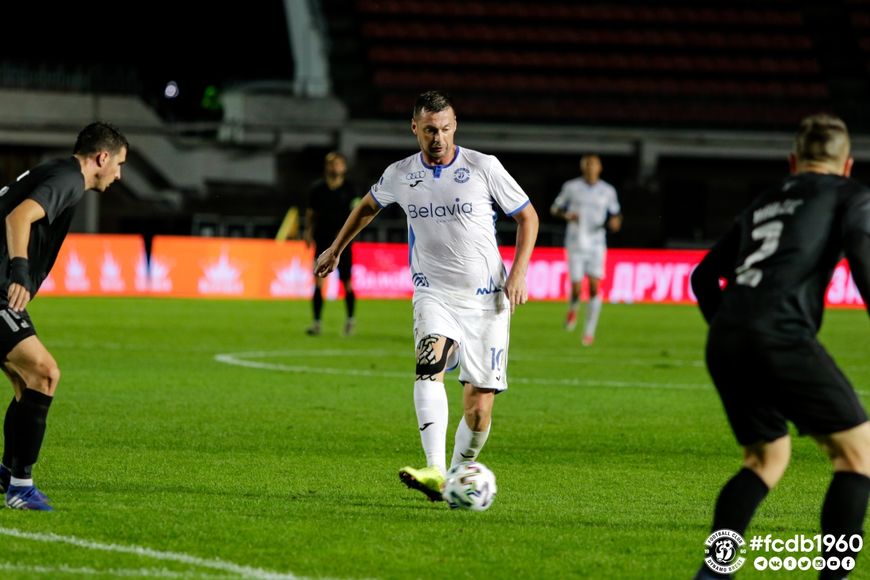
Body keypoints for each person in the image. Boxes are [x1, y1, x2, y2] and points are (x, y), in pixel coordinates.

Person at [314, 90, 539, 502]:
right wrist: (336, 248)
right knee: (428, 362)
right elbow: (368, 207)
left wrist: (519, 272)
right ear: (415, 128)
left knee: (478, 408)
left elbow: (527, 216)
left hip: (487, 300)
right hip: (433, 292)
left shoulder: (483, 167)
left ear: (455, 127)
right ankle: (434, 469)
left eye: (446, 129)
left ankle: (455, 474)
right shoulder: (401, 174)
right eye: (430, 130)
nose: (439, 138)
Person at [690, 113, 869, 580]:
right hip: (781, 334)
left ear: (793, 161)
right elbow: (861, 255)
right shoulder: (849, 194)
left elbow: (703, 277)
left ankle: (713, 574)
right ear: (847, 165)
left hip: (726, 336)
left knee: (766, 458)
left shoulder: (764, 202)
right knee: (857, 456)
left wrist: (734, 329)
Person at [0, 122, 127, 511]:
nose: (119, 174)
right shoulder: (69, 179)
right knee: (44, 373)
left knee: (27, 383)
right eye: (119, 163)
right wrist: (19, 270)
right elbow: (18, 217)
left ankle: (8, 474)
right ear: (102, 158)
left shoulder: (57, 171)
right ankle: (21, 488)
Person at [550, 154, 622, 346]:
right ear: (583, 167)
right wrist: (567, 215)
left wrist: (615, 222)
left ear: (600, 168)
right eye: (587, 164)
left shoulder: (608, 191)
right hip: (575, 242)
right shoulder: (571, 187)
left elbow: (616, 214)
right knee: (576, 288)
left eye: (594, 164)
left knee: (594, 287)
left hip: (597, 243)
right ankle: (573, 307)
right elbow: (555, 209)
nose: (591, 167)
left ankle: (589, 332)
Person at [303, 152, 360, 336]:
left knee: (347, 282)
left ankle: (350, 321)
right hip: (322, 238)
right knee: (318, 280)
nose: (335, 167)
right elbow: (310, 213)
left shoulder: (350, 189)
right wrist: (307, 232)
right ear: (327, 167)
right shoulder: (317, 189)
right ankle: (316, 323)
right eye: (332, 164)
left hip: (343, 242)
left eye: (338, 164)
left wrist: (349, 234)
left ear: (344, 167)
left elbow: (357, 214)